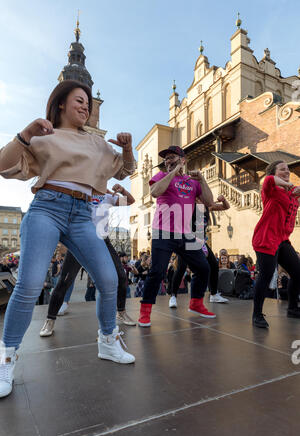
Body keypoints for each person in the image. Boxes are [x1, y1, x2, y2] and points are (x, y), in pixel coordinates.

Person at [0, 79, 137, 398]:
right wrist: (25, 134)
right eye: (79, 100)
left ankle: (107, 341)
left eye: (89, 102)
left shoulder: (98, 144)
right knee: (31, 283)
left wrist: (127, 149)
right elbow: (3, 166)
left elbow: (123, 172)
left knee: (108, 278)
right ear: (61, 103)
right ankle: (6, 358)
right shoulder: (45, 136)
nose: (86, 106)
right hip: (47, 207)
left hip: (82, 215)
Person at [39, 184, 136, 337]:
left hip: (102, 239)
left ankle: (121, 311)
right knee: (64, 281)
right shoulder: (80, 191)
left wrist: (122, 190)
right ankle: (50, 320)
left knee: (121, 276)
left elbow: (130, 201)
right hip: (81, 239)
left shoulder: (107, 196)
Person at [138, 145, 216, 327]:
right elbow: (155, 192)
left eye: (172, 157)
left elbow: (209, 202)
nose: (168, 160)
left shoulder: (192, 182)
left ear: (183, 160)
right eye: (166, 159)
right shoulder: (161, 176)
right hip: (163, 232)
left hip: (186, 234)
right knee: (157, 272)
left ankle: (196, 304)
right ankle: (145, 312)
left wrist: (202, 180)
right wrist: (172, 173)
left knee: (204, 268)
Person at [252, 160, 300, 328]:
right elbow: (268, 180)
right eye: (282, 169)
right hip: (265, 239)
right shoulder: (270, 189)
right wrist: (289, 184)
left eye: (288, 169)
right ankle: (257, 314)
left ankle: (293, 308)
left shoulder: (292, 193)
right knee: (265, 276)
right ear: (274, 172)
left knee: (298, 272)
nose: (287, 171)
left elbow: (297, 191)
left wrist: (293, 188)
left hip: (282, 240)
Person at [169, 195, 230, 308]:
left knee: (214, 265)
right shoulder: (189, 207)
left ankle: (213, 294)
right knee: (181, 267)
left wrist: (224, 200)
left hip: (201, 242)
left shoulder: (208, 207)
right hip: (188, 240)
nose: (200, 199)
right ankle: (173, 296)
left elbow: (226, 207)